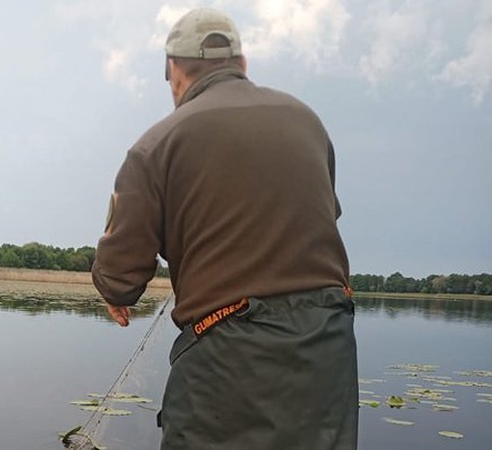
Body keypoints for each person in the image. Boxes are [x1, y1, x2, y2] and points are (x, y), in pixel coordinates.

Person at [91, 7, 358, 450]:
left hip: (227, 359)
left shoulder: (154, 145)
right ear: (242, 64)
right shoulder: (309, 122)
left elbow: (120, 277)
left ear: (173, 70)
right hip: (327, 355)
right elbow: (322, 217)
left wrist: (113, 293)